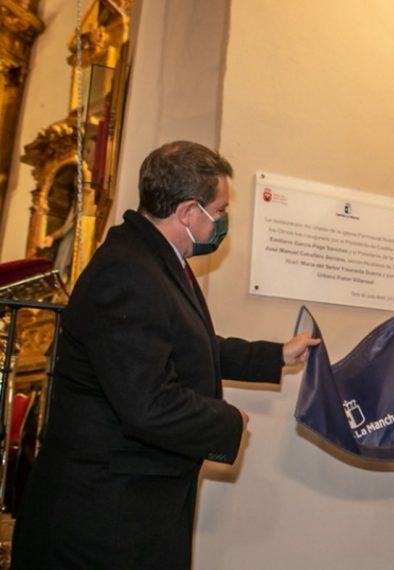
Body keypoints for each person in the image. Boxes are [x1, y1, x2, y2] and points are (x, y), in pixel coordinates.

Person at [10, 141, 320, 570]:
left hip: (130, 504)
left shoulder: (153, 259)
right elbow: (147, 404)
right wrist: (229, 421)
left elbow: (189, 345)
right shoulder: (128, 272)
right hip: (103, 517)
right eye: (220, 208)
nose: (223, 219)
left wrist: (275, 356)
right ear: (189, 211)